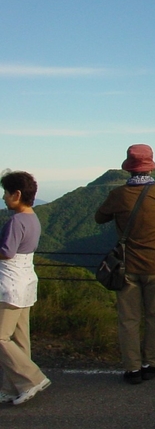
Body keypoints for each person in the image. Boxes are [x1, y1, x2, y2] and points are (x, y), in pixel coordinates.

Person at [95, 144, 155, 384]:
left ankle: (132, 369)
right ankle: (151, 364)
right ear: (151, 166)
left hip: (127, 266)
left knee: (128, 319)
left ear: (129, 168)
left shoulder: (118, 195)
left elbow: (99, 217)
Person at [0, 171, 50, 405]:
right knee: (20, 337)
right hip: (26, 280)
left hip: (10, 284)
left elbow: (7, 252)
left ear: (17, 194)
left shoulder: (16, 221)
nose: (3, 197)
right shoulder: (32, 218)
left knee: (1, 338)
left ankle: (31, 379)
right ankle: (13, 388)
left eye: (6, 193)